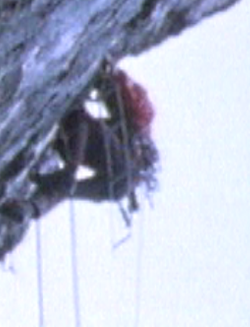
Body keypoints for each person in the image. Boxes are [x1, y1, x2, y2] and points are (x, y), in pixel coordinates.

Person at [29, 63, 159, 217]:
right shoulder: (130, 159)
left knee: (79, 119)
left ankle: (56, 186)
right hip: (103, 169)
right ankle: (32, 207)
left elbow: (124, 91)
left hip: (83, 144)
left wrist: (109, 75)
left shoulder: (135, 123)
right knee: (68, 189)